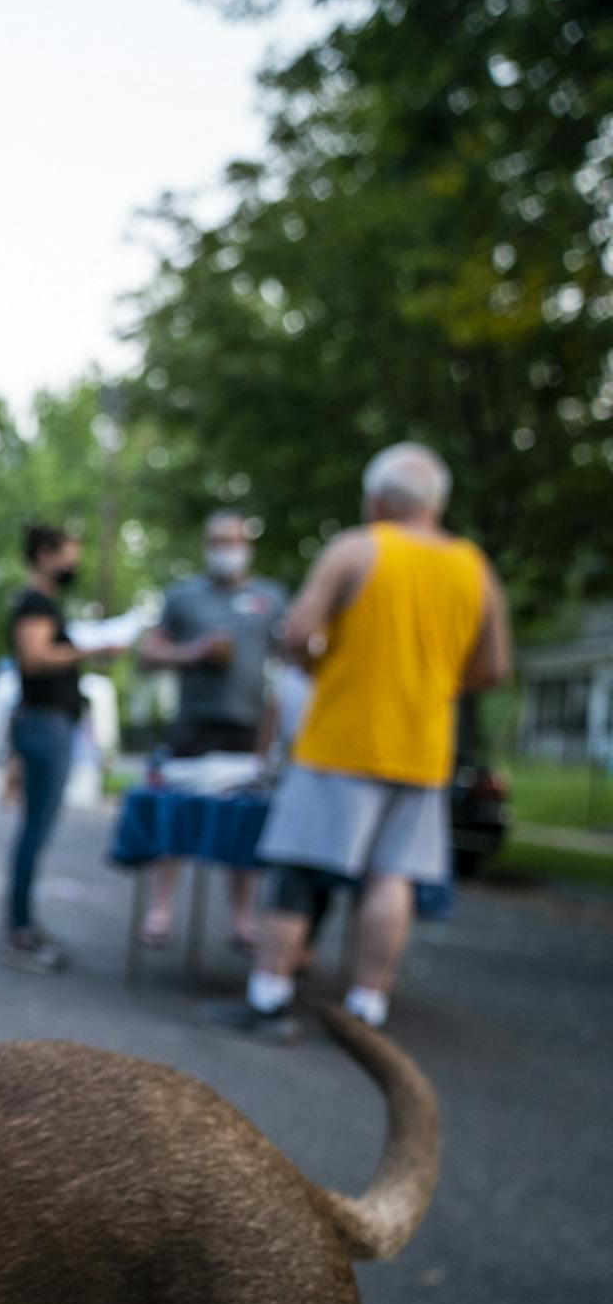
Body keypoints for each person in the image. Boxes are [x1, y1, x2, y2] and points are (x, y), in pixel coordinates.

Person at [207, 444, 511, 1041]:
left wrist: (316, 664)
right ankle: (367, 1008)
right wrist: (440, 685)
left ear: (376, 500)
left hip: (342, 740)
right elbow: (493, 667)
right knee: (391, 877)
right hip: (423, 748)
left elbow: (297, 631)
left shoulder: (357, 548)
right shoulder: (474, 566)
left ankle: (269, 997)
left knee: (296, 869)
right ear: (436, 504)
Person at [135, 512, 288, 948]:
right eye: (218, 541)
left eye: (234, 541)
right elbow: (148, 652)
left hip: (249, 727)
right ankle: (161, 911)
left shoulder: (270, 597)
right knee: (176, 813)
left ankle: (242, 919)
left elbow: (293, 654)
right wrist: (191, 652)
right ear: (206, 545)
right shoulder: (184, 598)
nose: (227, 549)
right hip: (193, 724)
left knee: (243, 822)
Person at [2, 525, 123, 973]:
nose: (74, 564)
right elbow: (34, 657)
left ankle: (22, 924)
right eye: (69, 555)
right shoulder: (36, 603)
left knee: (35, 829)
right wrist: (86, 649)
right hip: (44, 725)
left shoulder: (43, 604)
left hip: (49, 724)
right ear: (45, 555)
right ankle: (19, 931)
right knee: (35, 829)